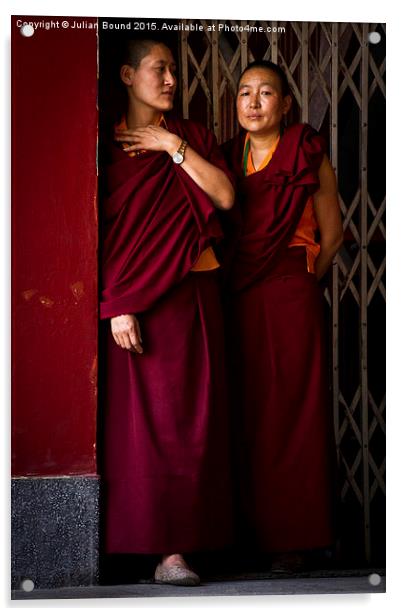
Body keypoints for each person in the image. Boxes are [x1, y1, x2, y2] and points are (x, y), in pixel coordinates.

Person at [99, 38, 235, 586]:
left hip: (195, 295)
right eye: (161, 70)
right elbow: (100, 235)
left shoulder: (192, 136)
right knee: (144, 430)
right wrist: (117, 305)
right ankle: (149, 548)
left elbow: (224, 196)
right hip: (138, 304)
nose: (173, 80)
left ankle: (182, 549)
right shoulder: (103, 144)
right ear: (129, 76)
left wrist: (171, 146)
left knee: (192, 423)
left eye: (176, 71)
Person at [222, 60, 343, 572]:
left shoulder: (307, 151)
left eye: (265, 93)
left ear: (286, 104)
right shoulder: (227, 158)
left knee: (294, 411)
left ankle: (293, 539)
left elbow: (334, 233)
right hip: (240, 293)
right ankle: (245, 535)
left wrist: (302, 278)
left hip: (292, 289)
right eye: (245, 92)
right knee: (247, 409)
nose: (252, 102)